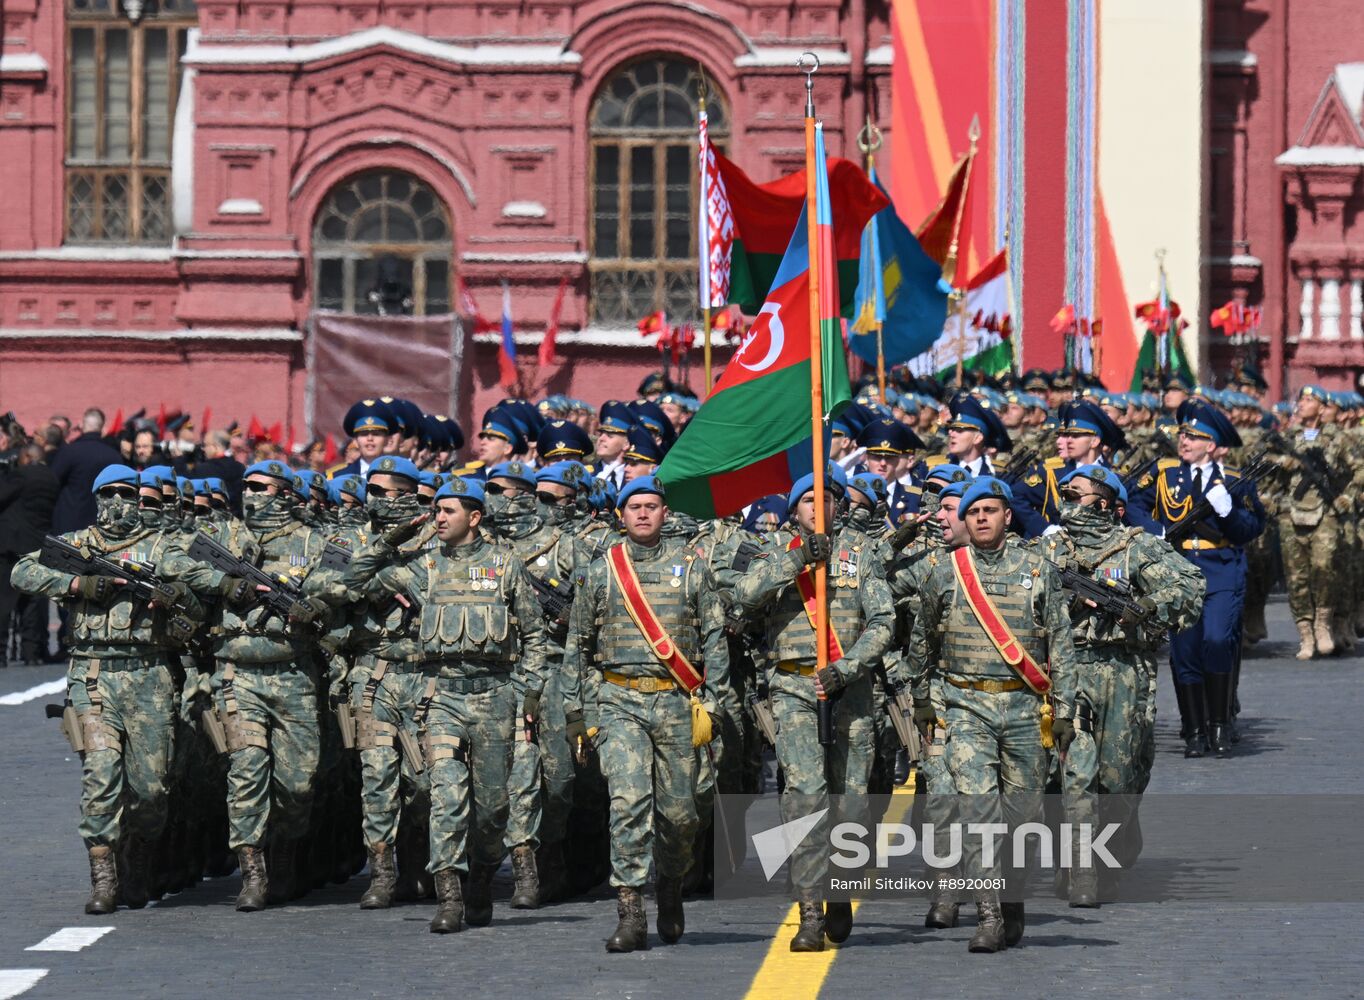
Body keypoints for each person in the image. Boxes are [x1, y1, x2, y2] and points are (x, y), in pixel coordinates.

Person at [344, 475, 547, 934]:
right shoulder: (423, 566)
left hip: (495, 695)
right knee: (446, 797)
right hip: (440, 698)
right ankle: (450, 898)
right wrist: (388, 540)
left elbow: (534, 634)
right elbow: (354, 580)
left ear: (474, 517)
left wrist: (530, 690)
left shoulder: (504, 564)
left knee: (492, 809)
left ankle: (481, 879)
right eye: (436, 510)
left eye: (448, 511)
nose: (438, 518)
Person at [11, 464, 203, 913]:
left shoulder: (163, 546)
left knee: (151, 789)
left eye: (127, 493)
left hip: (150, 675)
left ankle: (137, 858)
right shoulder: (78, 545)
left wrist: (173, 595)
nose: (119, 502)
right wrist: (79, 583)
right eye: (109, 493)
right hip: (93, 673)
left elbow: (198, 585)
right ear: (97, 497)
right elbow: (23, 571)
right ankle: (103, 879)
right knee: (101, 777)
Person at [906, 476, 1078, 952]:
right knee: (976, 810)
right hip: (965, 706)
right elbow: (922, 640)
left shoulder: (1037, 569)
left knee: (1023, 816)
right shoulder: (944, 571)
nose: (981, 518)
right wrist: (922, 699)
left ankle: (1012, 896)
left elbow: (1060, 642)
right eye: (973, 511)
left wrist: (1063, 709)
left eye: (990, 510)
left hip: (1025, 707)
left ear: (1007, 515)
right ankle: (988, 916)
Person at [564, 475, 734, 952]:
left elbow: (717, 641)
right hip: (619, 702)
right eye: (634, 506)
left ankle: (671, 884)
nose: (642, 513)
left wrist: (714, 703)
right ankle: (631, 911)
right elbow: (577, 646)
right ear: (621, 515)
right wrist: (577, 713)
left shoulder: (692, 568)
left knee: (681, 815)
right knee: (629, 803)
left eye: (651, 506)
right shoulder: (602, 571)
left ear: (665, 513)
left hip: (677, 703)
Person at [735, 465, 894, 952]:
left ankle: (840, 888)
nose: (817, 508)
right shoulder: (771, 551)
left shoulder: (860, 552)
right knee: (804, 797)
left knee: (850, 800)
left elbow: (884, 620)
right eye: (808, 500)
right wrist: (798, 560)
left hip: (850, 687)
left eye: (827, 499)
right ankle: (809, 912)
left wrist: (847, 667)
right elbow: (742, 596)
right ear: (794, 509)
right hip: (795, 686)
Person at [177, 460, 347, 911]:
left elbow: (341, 580)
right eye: (246, 487)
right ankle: (252, 873)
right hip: (236, 674)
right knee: (246, 771)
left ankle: (285, 858)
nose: (250, 494)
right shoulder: (227, 534)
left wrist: (315, 604)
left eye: (260, 487)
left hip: (294, 674)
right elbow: (176, 563)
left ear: (284, 493)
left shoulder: (312, 540)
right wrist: (225, 583)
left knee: (298, 783)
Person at [1034, 465, 1204, 905]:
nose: (1069, 502)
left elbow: (1190, 586)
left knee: (1117, 776)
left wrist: (1145, 606)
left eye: (1079, 495)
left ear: (1107, 503)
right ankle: (1074, 862)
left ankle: (1109, 852)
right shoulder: (1047, 548)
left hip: (1122, 672)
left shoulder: (1137, 547)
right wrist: (1064, 603)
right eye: (1065, 495)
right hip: (1064, 670)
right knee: (1062, 773)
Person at [1129, 402, 1265, 756]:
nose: (1184, 440)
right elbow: (1132, 503)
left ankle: (1219, 723)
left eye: (1194, 436)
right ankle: (1194, 730)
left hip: (1221, 567)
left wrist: (1229, 510)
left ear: (1214, 444)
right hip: (1178, 567)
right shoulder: (1164, 474)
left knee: (1218, 640)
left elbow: (1252, 528)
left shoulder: (1235, 482)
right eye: (1183, 434)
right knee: (1185, 649)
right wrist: (1155, 529)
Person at [0, 443, 59, 665]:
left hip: (11, 545)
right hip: (38, 545)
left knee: (4, 603)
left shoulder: (21, 475)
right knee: (33, 604)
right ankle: (31, 653)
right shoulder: (52, 478)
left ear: (27, 456)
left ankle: (0, 653)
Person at [50, 408, 122, 533]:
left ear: (82, 425)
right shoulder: (114, 456)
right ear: (102, 428)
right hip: (102, 526)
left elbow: (52, 480)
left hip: (69, 523)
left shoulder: (70, 451)